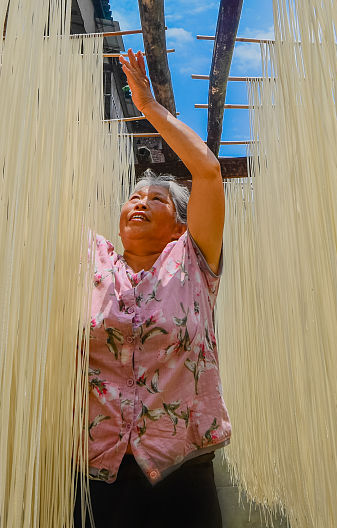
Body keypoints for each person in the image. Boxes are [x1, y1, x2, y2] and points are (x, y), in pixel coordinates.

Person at [76, 49, 228, 528]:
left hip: (182, 474)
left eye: (156, 199)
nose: (140, 203)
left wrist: (150, 108)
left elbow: (207, 172)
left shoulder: (192, 261)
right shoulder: (91, 262)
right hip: (97, 476)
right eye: (134, 197)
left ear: (180, 224)